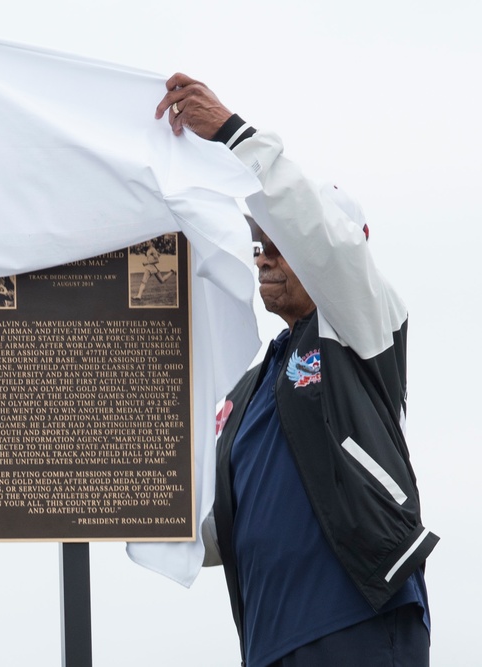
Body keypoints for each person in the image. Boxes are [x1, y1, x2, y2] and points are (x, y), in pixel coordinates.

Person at [157, 73, 437, 667]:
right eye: (259, 242)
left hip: (358, 617)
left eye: (279, 241)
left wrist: (236, 138)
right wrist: (113, 503)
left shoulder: (360, 327)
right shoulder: (247, 390)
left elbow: (327, 244)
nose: (264, 255)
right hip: (268, 637)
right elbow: (212, 532)